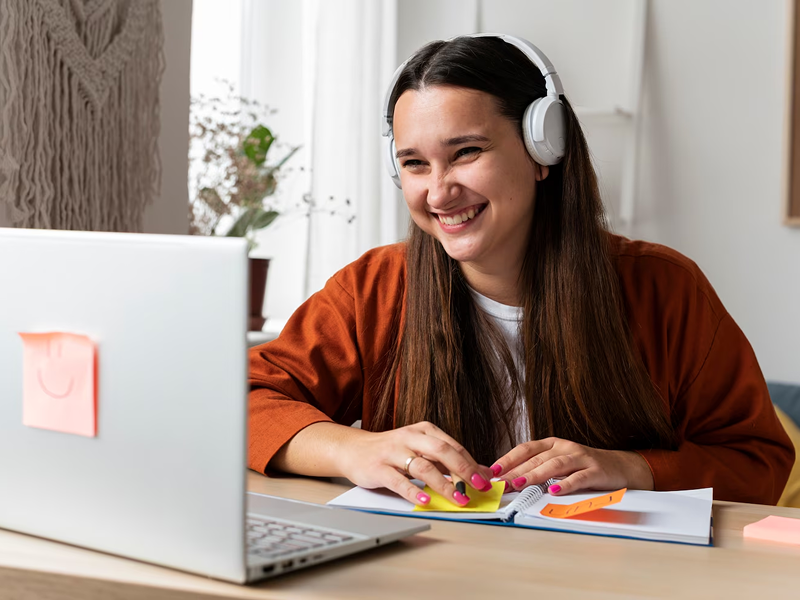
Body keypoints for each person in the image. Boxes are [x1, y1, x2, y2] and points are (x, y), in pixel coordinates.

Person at [248, 34, 793, 508]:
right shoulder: (374, 288)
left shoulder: (666, 289)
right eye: (414, 163)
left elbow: (757, 462)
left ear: (542, 150)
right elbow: (242, 399)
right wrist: (351, 447)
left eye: (466, 152)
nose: (438, 191)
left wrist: (636, 469)